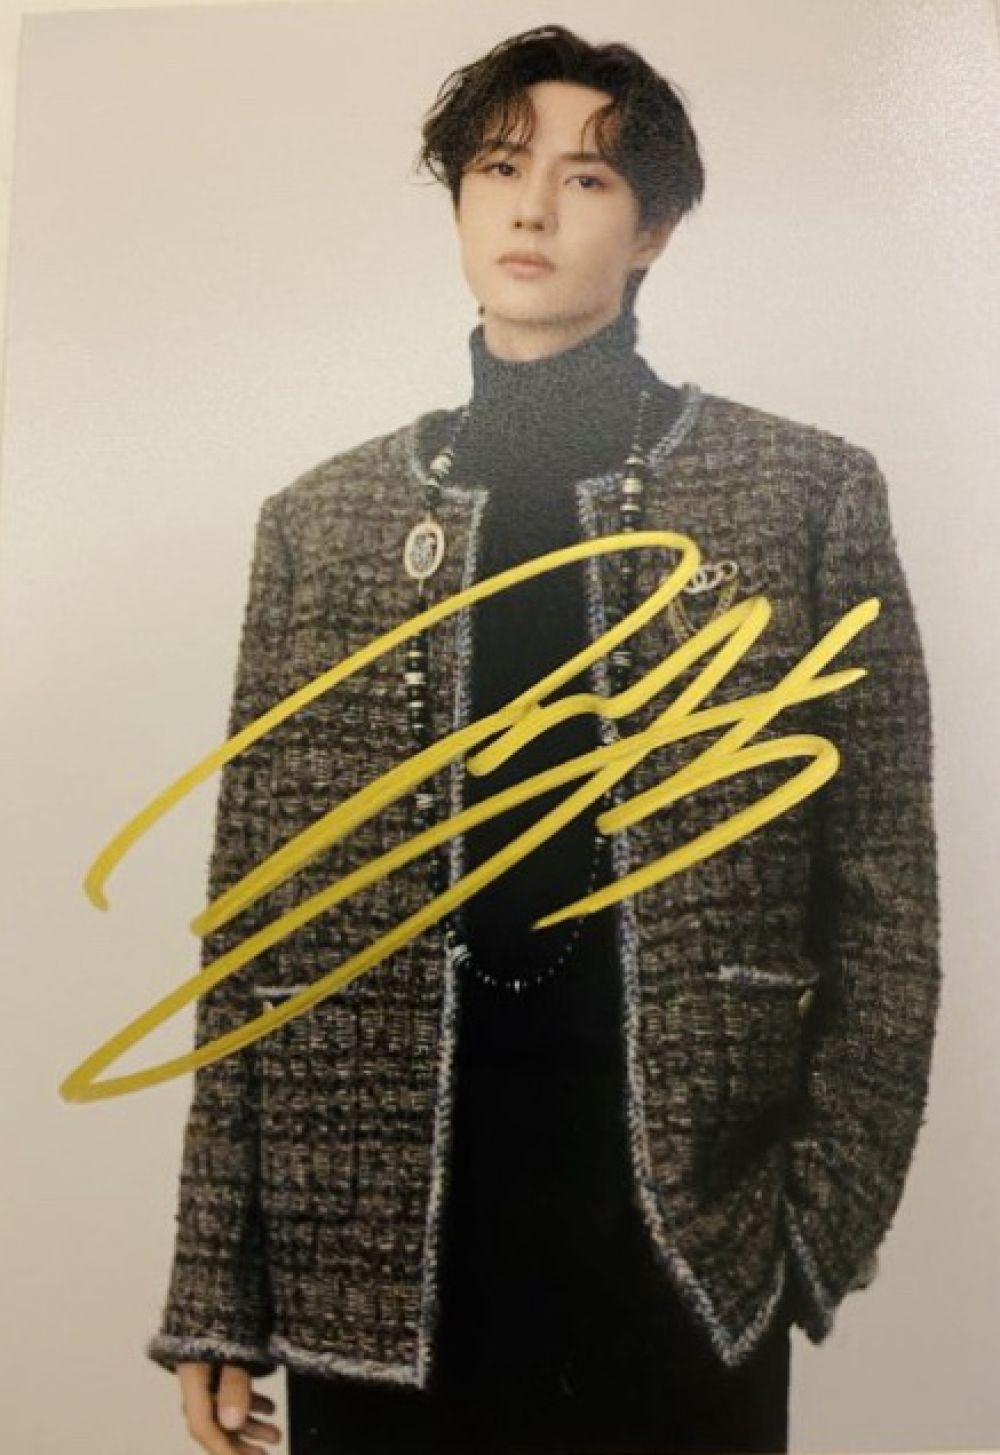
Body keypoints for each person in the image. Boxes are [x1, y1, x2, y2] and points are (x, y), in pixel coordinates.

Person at [145, 24, 940, 1455]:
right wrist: (220, 1284)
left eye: (586, 179)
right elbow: (257, 927)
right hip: (368, 1247)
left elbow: (886, 896)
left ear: (655, 229)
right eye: (500, 169)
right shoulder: (322, 525)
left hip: (683, 1234)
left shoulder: (800, 495)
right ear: (458, 200)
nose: (531, 210)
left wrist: (815, 1225)